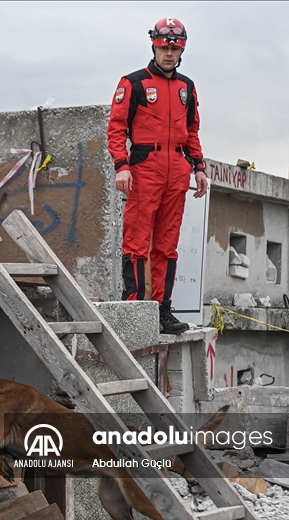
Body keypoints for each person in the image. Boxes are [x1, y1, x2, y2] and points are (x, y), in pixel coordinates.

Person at [107, 16, 209, 335]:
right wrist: (121, 165)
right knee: (136, 241)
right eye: (164, 46)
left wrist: (200, 168)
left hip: (176, 170)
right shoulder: (133, 82)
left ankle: (163, 311)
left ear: (182, 50)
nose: (169, 53)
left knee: (167, 246)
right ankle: (134, 307)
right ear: (154, 44)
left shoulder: (186, 88)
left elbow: (192, 131)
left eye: (175, 48)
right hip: (144, 167)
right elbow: (116, 129)